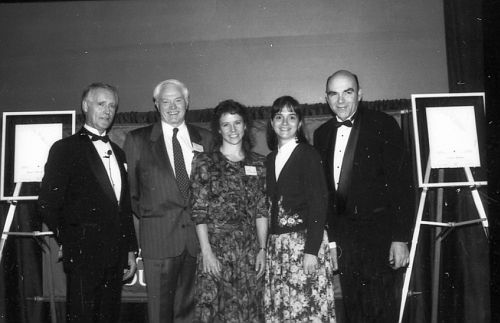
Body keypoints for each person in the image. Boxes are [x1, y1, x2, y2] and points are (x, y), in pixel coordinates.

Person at [313, 70, 414, 323]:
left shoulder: (383, 124)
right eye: (334, 94)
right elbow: (325, 194)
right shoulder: (322, 134)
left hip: (378, 234)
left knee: (382, 309)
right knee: (354, 307)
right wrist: (333, 242)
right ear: (326, 98)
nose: (341, 100)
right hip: (345, 236)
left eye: (347, 92)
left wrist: (400, 238)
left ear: (360, 94)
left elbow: (402, 184)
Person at [38, 83, 138, 323]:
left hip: (115, 256)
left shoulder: (118, 152)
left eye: (112, 106)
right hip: (83, 255)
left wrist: (131, 250)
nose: (107, 111)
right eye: (101, 104)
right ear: (85, 106)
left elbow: (122, 207)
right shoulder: (65, 149)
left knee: (108, 316)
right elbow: (47, 202)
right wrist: (70, 240)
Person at [123, 79, 213, 323]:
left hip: (196, 241)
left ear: (187, 102)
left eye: (178, 100)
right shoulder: (137, 140)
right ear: (156, 104)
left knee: (191, 314)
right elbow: (131, 194)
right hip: (159, 241)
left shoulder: (205, 138)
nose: (172, 106)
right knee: (160, 314)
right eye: (165, 101)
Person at [190, 100, 268, 322]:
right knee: (216, 312)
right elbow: (199, 210)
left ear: (245, 126)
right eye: (226, 124)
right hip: (216, 250)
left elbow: (262, 209)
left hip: (249, 252)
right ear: (218, 128)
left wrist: (262, 249)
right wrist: (206, 252)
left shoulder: (260, 164)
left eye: (237, 123)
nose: (232, 129)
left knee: (249, 312)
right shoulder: (205, 161)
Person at [264, 96, 336, 323]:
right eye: (279, 117)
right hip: (278, 249)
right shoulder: (269, 160)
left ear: (299, 123)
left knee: (307, 312)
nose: (285, 123)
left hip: (304, 246)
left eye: (291, 117)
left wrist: (312, 251)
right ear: (272, 122)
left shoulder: (308, 154)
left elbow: (319, 204)